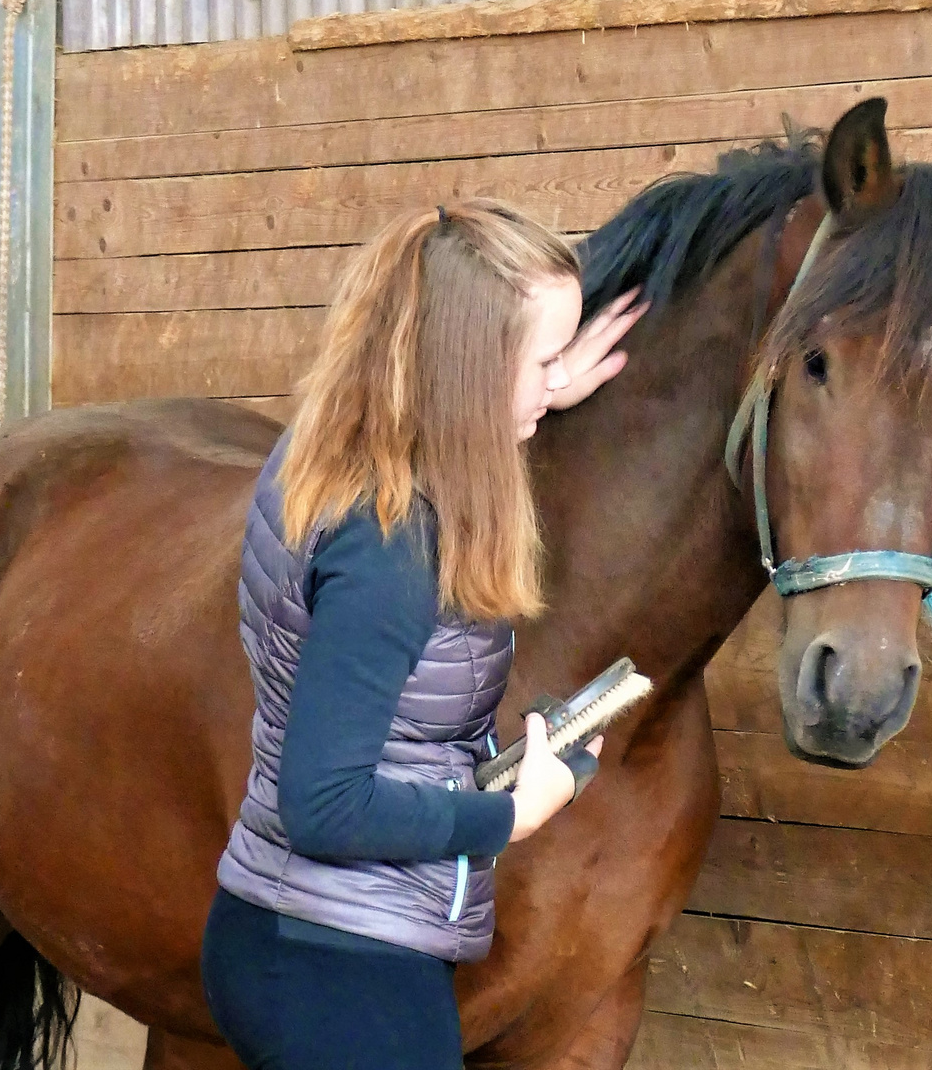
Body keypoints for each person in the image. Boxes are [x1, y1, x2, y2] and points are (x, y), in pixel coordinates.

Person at [201, 199, 648, 1070]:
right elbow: (324, 804)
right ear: (467, 374)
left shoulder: (332, 453)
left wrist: (543, 391)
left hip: (299, 932)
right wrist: (509, 815)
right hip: (336, 967)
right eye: (543, 359)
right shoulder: (392, 551)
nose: (557, 379)